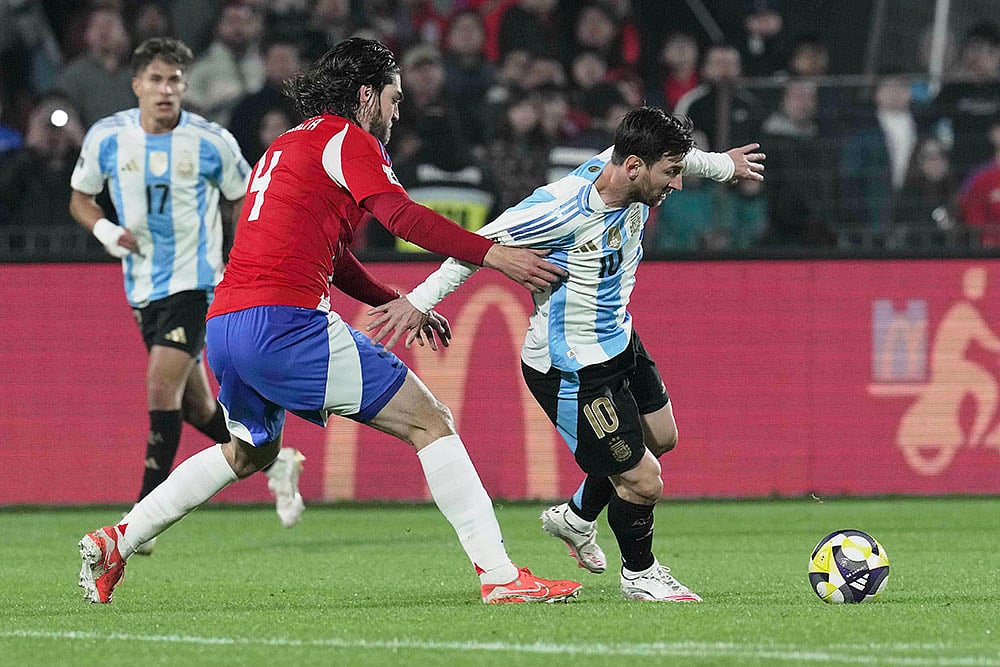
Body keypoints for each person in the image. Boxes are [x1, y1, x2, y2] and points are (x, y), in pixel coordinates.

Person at [77, 37, 581, 606]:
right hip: (284, 322)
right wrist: (491, 253)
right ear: (366, 96)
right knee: (429, 419)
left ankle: (118, 540)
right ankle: (501, 576)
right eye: (392, 97)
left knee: (249, 451)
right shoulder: (350, 139)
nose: (398, 110)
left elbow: (333, 255)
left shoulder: (288, 145)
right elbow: (402, 215)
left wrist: (396, 296)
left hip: (226, 324)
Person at [369, 106, 765, 602]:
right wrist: (418, 302)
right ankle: (640, 576)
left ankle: (576, 517)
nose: (677, 184)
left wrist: (725, 166)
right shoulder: (557, 209)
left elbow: (692, 161)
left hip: (620, 340)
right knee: (643, 480)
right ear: (635, 168)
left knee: (661, 439)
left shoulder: (629, 166)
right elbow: (476, 246)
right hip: (572, 366)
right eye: (670, 173)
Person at [69, 37, 306, 557]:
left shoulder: (210, 141)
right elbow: (80, 198)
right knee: (199, 407)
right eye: (155, 79)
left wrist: (242, 259)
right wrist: (108, 233)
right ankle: (273, 455)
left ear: (184, 86)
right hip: (142, 286)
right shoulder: (108, 138)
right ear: (136, 86)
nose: (166, 89)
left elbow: (249, 197)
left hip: (197, 282)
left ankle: (141, 518)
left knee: (160, 387)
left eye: (175, 80)